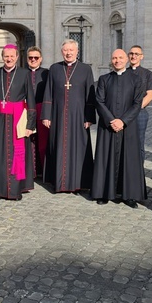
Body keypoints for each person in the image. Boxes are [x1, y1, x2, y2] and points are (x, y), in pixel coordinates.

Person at [91, 49, 146, 207]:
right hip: (107, 126)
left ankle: (129, 195)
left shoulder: (136, 79)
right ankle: (103, 192)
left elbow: (137, 104)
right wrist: (111, 120)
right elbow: (99, 101)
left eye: (120, 57)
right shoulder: (104, 79)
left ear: (127, 59)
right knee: (105, 158)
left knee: (128, 159)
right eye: (114, 58)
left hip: (128, 126)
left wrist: (123, 121)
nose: (117, 60)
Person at [41, 39, 96, 193]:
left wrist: (89, 117)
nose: (68, 53)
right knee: (58, 147)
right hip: (57, 115)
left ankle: (78, 183)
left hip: (78, 116)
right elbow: (48, 92)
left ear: (77, 52)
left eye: (71, 50)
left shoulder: (85, 69)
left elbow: (90, 95)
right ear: (61, 52)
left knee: (78, 148)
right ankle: (58, 182)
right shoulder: (54, 68)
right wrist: (46, 115)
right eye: (65, 50)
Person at [0, 44, 36, 200]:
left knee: (17, 155)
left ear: (17, 57)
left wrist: (30, 126)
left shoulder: (24, 74)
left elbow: (31, 102)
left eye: (12, 56)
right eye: (6, 56)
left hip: (18, 120)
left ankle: (15, 190)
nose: (9, 59)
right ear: (2, 57)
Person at [128, 45, 152, 161]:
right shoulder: (123, 72)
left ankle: (138, 173)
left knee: (139, 142)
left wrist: (135, 109)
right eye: (131, 54)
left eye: (136, 54)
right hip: (124, 113)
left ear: (141, 57)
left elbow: (149, 95)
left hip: (140, 113)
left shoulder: (147, 74)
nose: (133, 56)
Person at [26, 46, 49, 178]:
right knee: (27, 140)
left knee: (42, 140)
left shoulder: (47, 73)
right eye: (30, 57)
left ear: (40, 59)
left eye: (36, 57)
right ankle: (30, 170)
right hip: (26, 109)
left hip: (41, 108)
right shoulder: (23, 72)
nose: (33, 60)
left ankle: (42, 170)